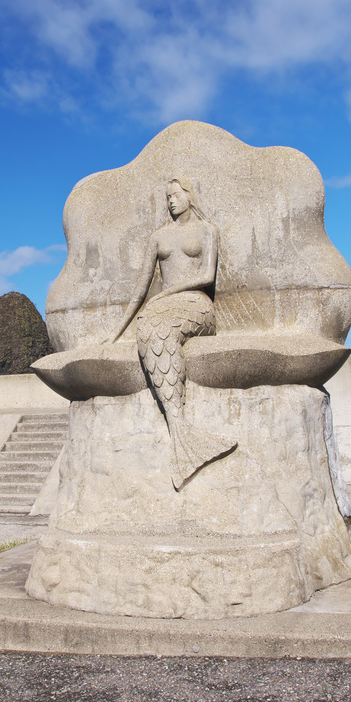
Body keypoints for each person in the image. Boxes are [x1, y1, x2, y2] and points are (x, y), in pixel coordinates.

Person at [107, 177, 237, 489]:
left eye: (176, 195)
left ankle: (183, 434)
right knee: (150, 326)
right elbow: (141, 288)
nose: (171, 201)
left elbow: (207, 276)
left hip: (197, 305)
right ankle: (182, 434)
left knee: (162, 327)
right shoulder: (158, 237)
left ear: (190, 196)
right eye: (167, 197)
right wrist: (115, 333)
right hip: (162, 308)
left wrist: (166, 293)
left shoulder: (207, 230)